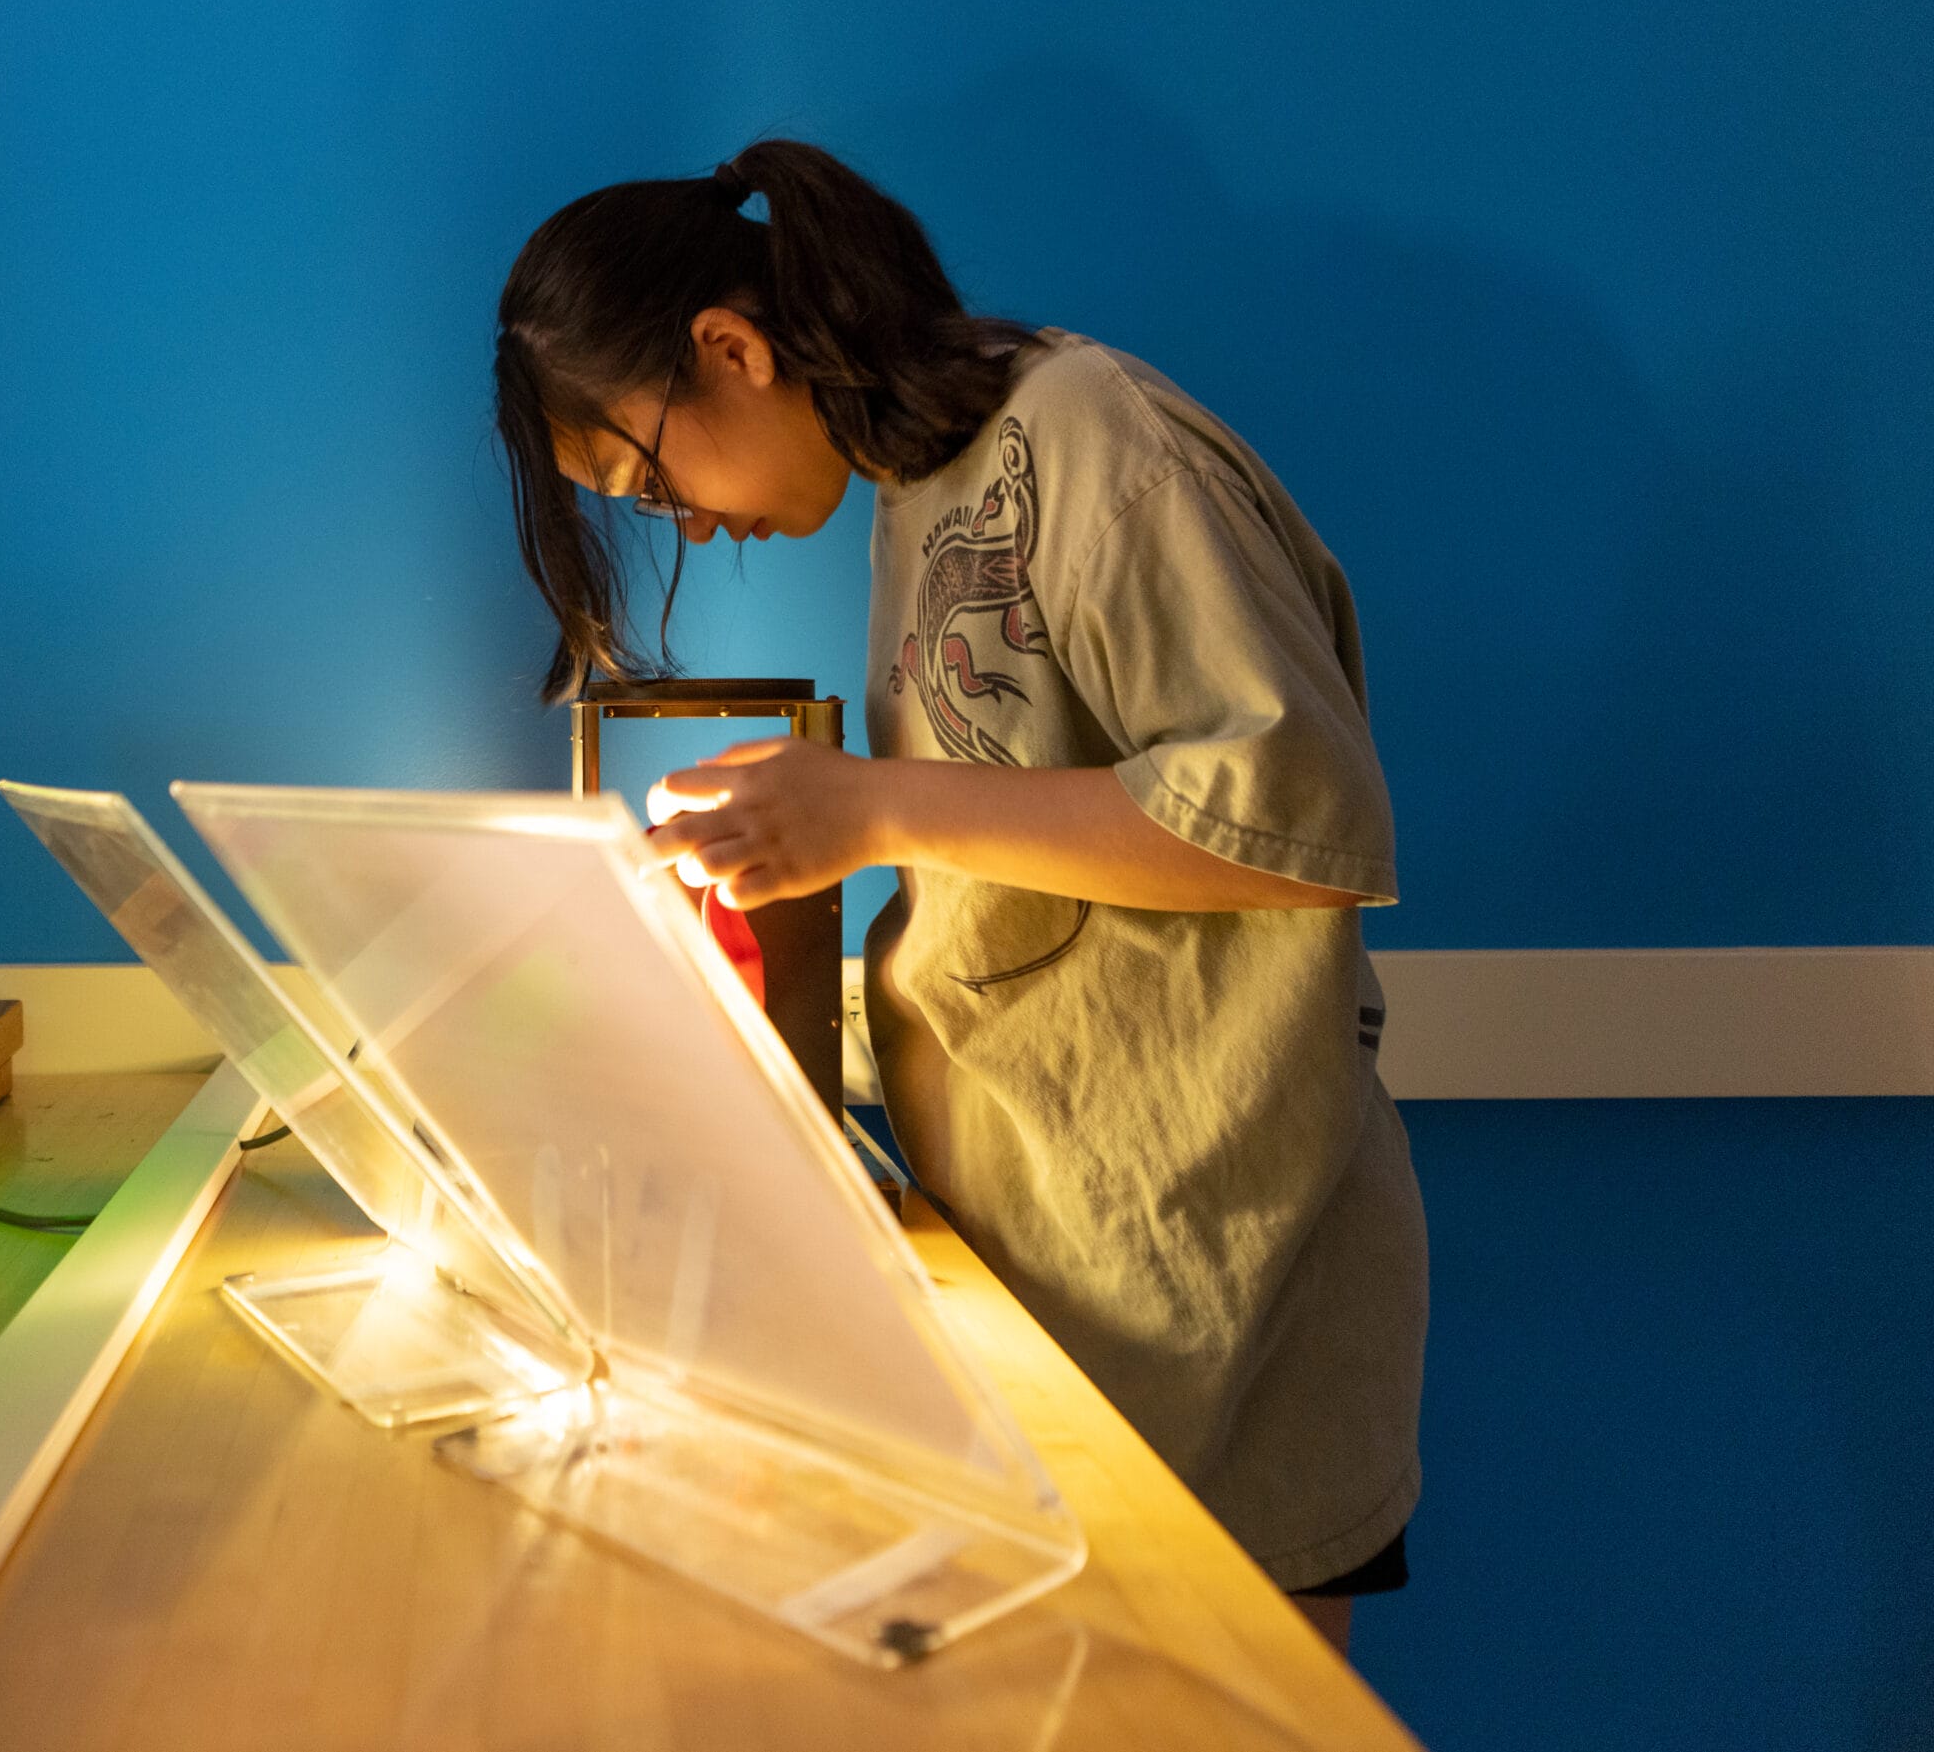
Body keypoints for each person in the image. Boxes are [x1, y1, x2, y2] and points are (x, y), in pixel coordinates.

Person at [491, 139, 1427, 1650]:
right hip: (1059, 1283)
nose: (680, 523)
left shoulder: (1091, 436)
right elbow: (1018, 921)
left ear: (729, 347)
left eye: (644, 477)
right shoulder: (924, 494)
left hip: (1229, 1299)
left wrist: (864, 806)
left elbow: (1294, 817)